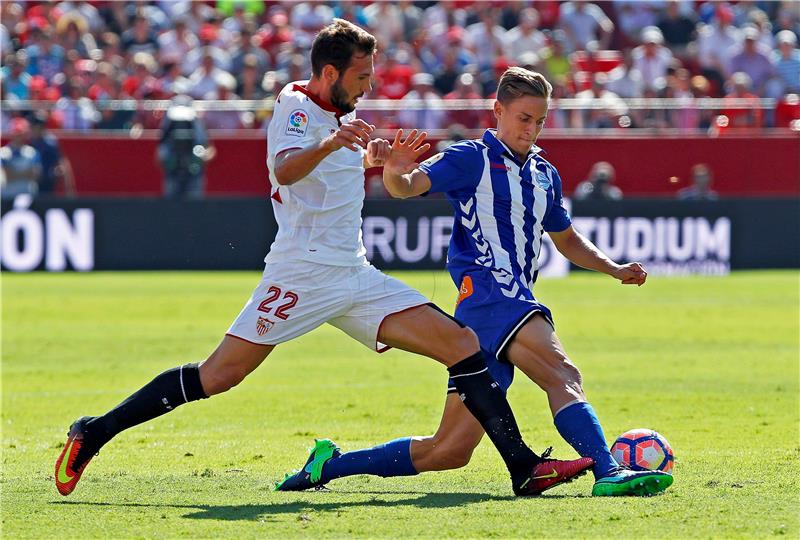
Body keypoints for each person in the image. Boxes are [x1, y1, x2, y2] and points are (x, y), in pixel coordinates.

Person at [55, 20, 591, 499]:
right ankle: (94, 431)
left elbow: (333, 175)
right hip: (302, 272)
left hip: (353, 273)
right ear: (330, 72)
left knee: (463, 345)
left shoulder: (344, 116)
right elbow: (286, 171)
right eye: (361, 77)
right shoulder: (294, 105)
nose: (369, 86)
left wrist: (376, 159)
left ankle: (522, 467)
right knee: (219, 375)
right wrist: (336, 144)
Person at [277, 67, 673, 497]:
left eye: (539, 121)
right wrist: (394, 167)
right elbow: (406, 187)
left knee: (448, 450)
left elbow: (567, 240)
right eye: (524, 118)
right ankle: (609, 470)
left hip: (492, 308)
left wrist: (613, 268)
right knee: (563, 374)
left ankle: (329, 467)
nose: (532, 129)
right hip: (491, 293)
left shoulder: (545, 174)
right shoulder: (471, 158)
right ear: (498, 111)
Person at [156, 94, 215, 199]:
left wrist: (199, 159)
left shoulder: (198, 124)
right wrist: (168, 162)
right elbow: (160, 153)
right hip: (172, 176)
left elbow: (208, 148)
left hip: (194, 176)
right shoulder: (167, 125)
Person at [29, 112, 75, 196]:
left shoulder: (50, 143)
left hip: (47, 183)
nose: (33, 130)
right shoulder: (31, 143)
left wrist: (69, 188)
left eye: (37, 127)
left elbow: (62, 164)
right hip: (32, 183)